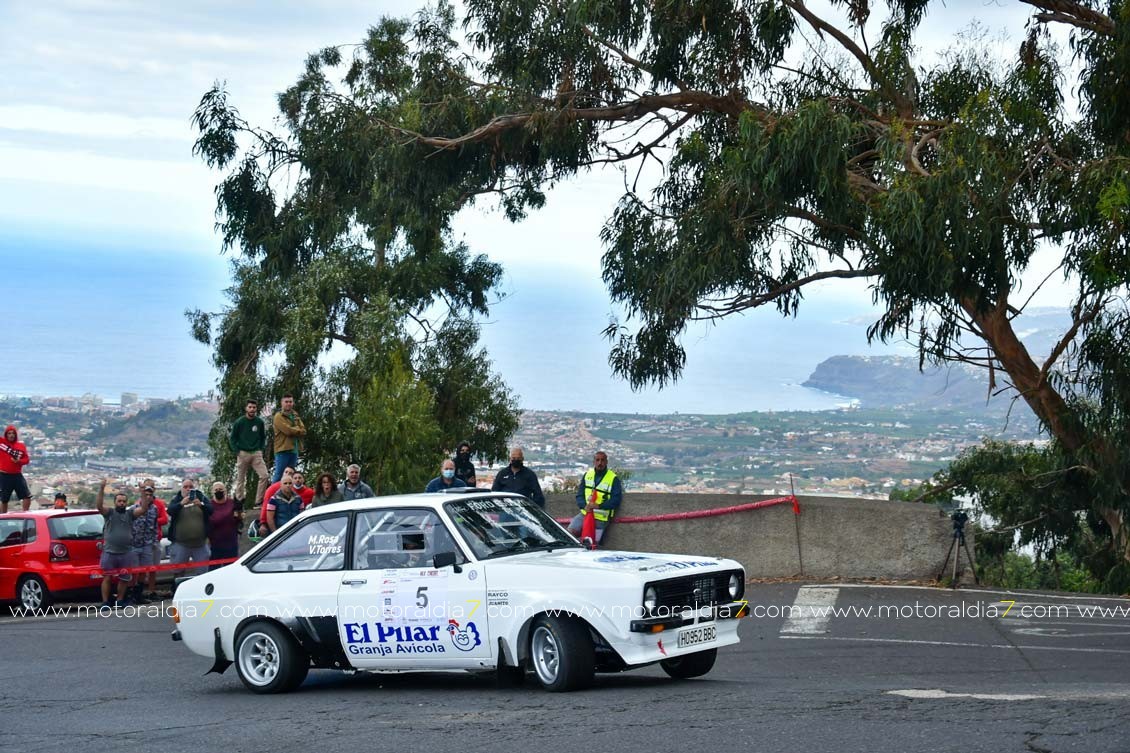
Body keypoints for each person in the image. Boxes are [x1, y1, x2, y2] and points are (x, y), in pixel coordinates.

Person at [95, 479, 145, 608]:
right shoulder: (110, 513)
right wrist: (101, 489)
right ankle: (105, 602)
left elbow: (144, 508)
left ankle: (120, 601)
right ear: (115, 502)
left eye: (124, 501)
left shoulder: (130, 514)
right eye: (119, 501)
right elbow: (99, 506)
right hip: (110, 552)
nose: (122, 503)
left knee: (124, 578)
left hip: (126, 552)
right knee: (107, 578)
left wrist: (143, 492)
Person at [567, 451, 624, 544]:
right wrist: (584, 505)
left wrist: (598, 506)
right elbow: (580, 495)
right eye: (597, 460)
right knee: (569, 534)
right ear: (594, 461)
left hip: (601, 518)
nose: (600, 463)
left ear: (606, 462)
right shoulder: (587, 475)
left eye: (602, 460)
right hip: (585, 513)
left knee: (591, 544)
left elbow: (616, 500)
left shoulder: (613, 479)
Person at [167, 478, 213, 576]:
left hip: (200, 544)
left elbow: (211, 510)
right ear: (181, 488)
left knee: (203, 573)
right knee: (178, 572)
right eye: (185, 487)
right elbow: (170, 511)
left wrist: (201, 505)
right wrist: (181, 504)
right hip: (181, 544)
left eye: (190, 487)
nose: (188, 489)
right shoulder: (177, 499)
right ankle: (177, 589)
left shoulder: (201, 497)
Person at [229, 399, 269, 509]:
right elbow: (232, 438)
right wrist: (237, 451)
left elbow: (262, 437)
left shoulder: (259, 422)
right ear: (246, 408)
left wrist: (261, 448)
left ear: (256, 409)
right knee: (241, 479)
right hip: (243, 453)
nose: (252, 409)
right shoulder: (239, 422)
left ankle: (258, 502)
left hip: (256, 453)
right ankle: (239, 502)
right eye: (250, 407)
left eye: (254, 407)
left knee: (264, 475)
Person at [128, 481, 161, 603]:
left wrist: (153, 541)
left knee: (144, 570)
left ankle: (139, 594)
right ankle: (130, 594)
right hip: (134, 544)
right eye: (145, 494)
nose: (148, 497)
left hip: (147, 544)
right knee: (133, 571)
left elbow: (154, 525)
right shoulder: (133, 509)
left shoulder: (155, 509)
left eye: (150, 495)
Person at [138, 479, 168, 600]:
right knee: (143, 568)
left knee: (153, 568)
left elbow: (165, 519)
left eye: (151, 489)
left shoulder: (159, 504)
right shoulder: (139, 503)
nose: (149, 493)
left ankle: (151, 590)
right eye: (146, 489)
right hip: (143, 542)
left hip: (155, 539)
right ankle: (139, 591)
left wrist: (153, 521)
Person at [271, 394, 306, 482]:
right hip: (282, 450)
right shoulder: (278, 416)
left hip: (294, 449)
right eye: (286, 402)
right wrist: (297, 430)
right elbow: (287, 431)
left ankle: (287, 494)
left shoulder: (295, 415)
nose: (288, 404)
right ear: (282, 403)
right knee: (279, 475)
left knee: (290, 475)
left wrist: (295, 430)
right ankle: (271, 495)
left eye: (290, 402)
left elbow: (304, 430)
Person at [207, 481, 241, 570]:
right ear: (212, 492)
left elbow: (238, 519)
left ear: (225, 491)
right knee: (214, 570)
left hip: (231, 543)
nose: (219, 491)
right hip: (215, 544)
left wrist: (240, 514)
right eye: (216, 489)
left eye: (221, 489)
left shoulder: (232, 503)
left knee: (231, 569)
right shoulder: (209, 506)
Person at [0, 425, 31, 514]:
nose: (11, 435)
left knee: (26, 496)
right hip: (4, 476)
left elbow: (27, 460)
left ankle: (26, 514)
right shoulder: (1, 443)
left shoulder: (21, 446)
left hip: (17, 475)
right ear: (6, 434)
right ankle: (3, 518)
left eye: (13, 433)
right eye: (9, 433)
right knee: (4, 499)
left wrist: (19, 461)